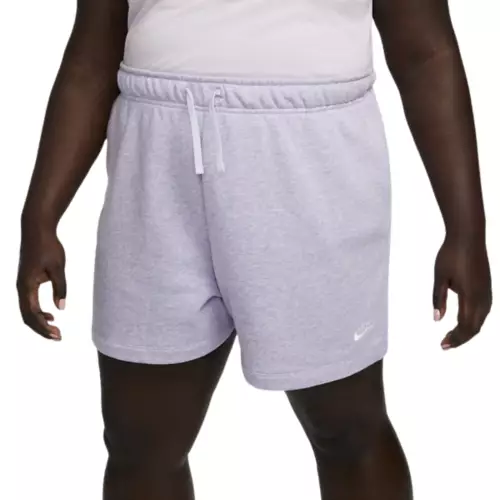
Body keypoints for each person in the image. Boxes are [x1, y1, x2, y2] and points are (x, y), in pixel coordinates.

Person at [17, 0, 492, 499]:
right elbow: (92, 55)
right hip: (156, 164)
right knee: (138, 439)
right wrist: (41, 214)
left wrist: (466, 226)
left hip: (310, 158)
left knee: (347, 427)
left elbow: (425, 53)